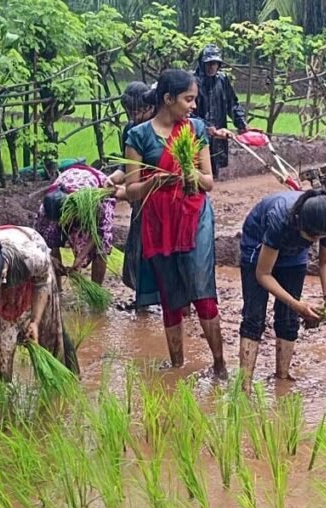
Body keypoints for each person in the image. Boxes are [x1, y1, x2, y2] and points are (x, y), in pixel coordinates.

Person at [124, 69, 226, 377]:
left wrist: (189, 174)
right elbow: (131, 191)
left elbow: (208, 182)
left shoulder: (194, 130)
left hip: (193, 217)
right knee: (171, 296)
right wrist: (156, 181)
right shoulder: (138, 136)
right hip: (159, 223)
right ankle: (177, 365)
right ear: (168, 99)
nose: (193, 106)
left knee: (202, 290)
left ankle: (220, 366)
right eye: (188, 99)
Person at [0, 226, 78, 408]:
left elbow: (42, 283)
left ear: (2, 277)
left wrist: (35, 321)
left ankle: (72, 380)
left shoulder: (32, 258)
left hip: (32, 270)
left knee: (52, 330)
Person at [238, 190, 326, 390]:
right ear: (299, 220)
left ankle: (282, 378)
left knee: (289, 318)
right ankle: (244, 386)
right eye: (311, 236)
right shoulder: (279, 219)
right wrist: (297, 304)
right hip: (258, 246)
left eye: (319, 238)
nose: (314, 241)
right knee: (254, 317)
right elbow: (263, 274)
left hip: (293, 253)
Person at [34, 164, 126, 286]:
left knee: (101, 247)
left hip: (97, 186)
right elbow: (42, 242)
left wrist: (80, 258)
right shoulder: (45, 210)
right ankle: (57, 289)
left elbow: (98, 233)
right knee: (51, 237)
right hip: (68, 182)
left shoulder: (96, 204)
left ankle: (96, 288)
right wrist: (52, 259)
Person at [193, 44, 249, 178]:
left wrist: (241, 123)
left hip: (219, 134)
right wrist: (205, 127)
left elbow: (232, 103)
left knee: (214, 168)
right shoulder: (193, 82)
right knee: (197, 168)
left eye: (215, 63)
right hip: (197, 134)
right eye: (209, 63)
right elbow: (187, 111)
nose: (212, 66)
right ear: (202, 63)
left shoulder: (222, 80)